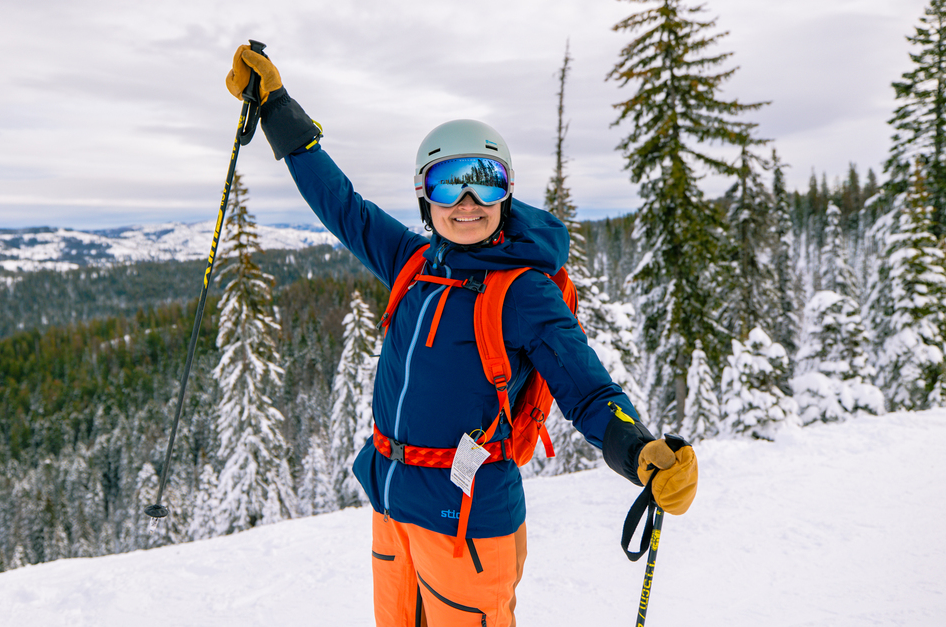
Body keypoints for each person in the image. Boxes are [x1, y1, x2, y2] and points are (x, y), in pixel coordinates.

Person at [225, 44, 698, 627]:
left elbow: (589, 393)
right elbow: (340, 205)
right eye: (450, 184)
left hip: (469, 526)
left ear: (507, 193)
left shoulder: (524, 292)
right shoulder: (412, 261)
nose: (468, 203)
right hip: (392, 504)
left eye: (486, 184)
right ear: (426, 196)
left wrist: (639, 451)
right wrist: (275, 107)